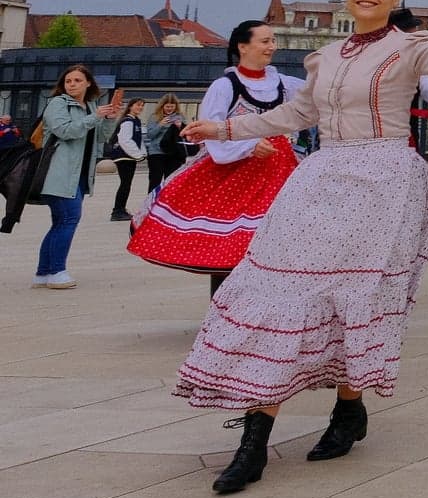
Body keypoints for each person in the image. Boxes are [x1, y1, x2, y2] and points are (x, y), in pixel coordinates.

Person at [177, 0, 428, 495]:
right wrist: (222, 125)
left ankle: (347, 408)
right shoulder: (323, 57)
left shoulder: (409, 47)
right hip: (322, 175)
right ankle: (256, 436)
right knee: (278, 291)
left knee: (353, 297)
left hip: (383, 179)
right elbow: (295, 116)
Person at [127, 21, 305, 295]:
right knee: (229, 248)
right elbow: (212, 134)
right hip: (233, 175)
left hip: (278, 170)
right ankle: (222, 312)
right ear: (242, 47)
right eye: (265, 41)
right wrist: (248, 146)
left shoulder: (283, 83)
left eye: (273, 41)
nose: (272, 47)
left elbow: (321, 96)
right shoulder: (225, 86)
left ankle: (260, 310)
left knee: (276, 244)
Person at [33, 65, 119, 289]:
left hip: (79, 175)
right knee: (69, 219)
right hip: (58, 173)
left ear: (88, 83)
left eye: (77, 80)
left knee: (60, 223)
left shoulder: (90, 105)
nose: (72, 84)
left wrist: (109, 118)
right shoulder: (57, 104)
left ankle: (44, 273)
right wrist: (94, 117)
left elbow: (101, 137)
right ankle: (56, 271)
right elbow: (66, 131)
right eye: (68, 81)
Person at [107, 98, 146, 221]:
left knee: (126, 184)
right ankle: (117, 211)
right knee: (125, 184)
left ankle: (120, 209)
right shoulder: (128, 121)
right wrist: (137, 155)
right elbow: (125, 140)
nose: (140, 108)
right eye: (138, 105)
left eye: (142, 106)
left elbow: (138, 140)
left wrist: (142, 153)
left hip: (129, 156)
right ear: (130, 106)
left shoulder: (136, 121)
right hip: (123, 156)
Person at [144, 95, 190, 198]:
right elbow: (150, 135)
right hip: (157, 152)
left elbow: (186, 134)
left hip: (174, 153)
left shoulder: (180, 116)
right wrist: (160, 124)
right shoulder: (154, 116)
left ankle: (167, 203)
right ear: (162, 106)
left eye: (172, 107)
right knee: (155, 180)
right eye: (167, 107)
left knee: (171, 180)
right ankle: (151, 202)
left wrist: (180, 127)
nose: (170, 109)